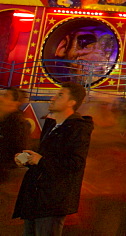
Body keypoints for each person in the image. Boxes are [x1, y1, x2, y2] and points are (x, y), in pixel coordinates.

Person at [13, 82, 94, 236]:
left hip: (52, 201)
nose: (53, 98)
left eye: (60, 95)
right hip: (36, 198)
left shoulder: (78, 129)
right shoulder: (51, 125)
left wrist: (40, 160)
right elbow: (46, 158)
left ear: (72, 102)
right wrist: (28, 160)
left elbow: (75, 164)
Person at [0, 89, 28, 222]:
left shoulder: (17, 124)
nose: (1, 98)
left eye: (6, 96)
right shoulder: (3, 120)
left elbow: (18, 154)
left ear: (15, 103)